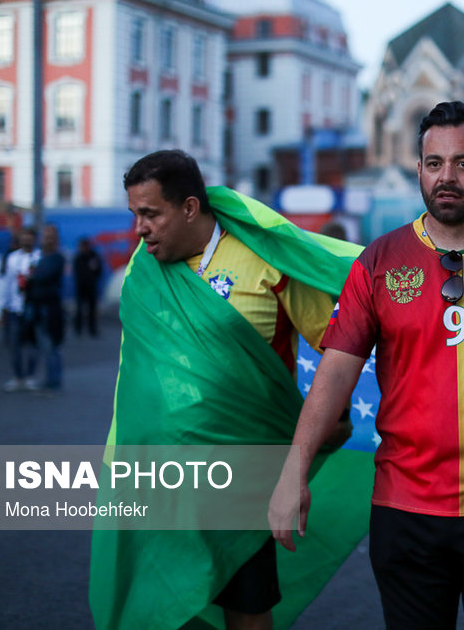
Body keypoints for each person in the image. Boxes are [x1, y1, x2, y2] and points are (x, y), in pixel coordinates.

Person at [270, 102, 464, 629]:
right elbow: (336, 372)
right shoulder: (379, 262)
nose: (447, 177)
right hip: (405, 506)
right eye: (434, 164)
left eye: (463, 163)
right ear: (418, 171)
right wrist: (292, 473)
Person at [89, 149, 347, 630]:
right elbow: (135, 376)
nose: (139, 229)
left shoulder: (267, 261)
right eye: (134, 216)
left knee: (246, 606)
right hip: (155, 476)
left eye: (150, 214)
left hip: (243, 478)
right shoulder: (143, 272)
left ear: (189, 207)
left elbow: (340, 350)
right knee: (157, 601)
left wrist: (310, 446)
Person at [25, 224, 65, 391]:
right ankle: (46, 378)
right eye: (45, 236)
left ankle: (53, 381)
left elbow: (41, 276)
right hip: (38, 305)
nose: (47, 240)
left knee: (50, 345)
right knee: (41, 344)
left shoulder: (56, 258)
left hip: (49, 308)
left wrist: (32, 274)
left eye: (50, 237)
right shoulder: (40, 256)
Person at [1, 227, 40, 392]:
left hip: (32, 305)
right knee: (14, 344)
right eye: (24, 237)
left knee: (32, 343)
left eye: (30, 237)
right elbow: (8, 283)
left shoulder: (39, 257)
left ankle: (30, 376)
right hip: (15, 307)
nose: (27, 240)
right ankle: (17, 376)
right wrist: (4, 305)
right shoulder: (12, 258)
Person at [73, 237, 103, 337]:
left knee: (92, 309)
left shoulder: (94, 257)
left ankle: (92, 329)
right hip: (81, 287)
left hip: (91, 287)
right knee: (79, 309)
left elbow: (99, 270)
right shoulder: (78, 258)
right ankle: (78, 329)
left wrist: (93, 278)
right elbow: (76, 272)